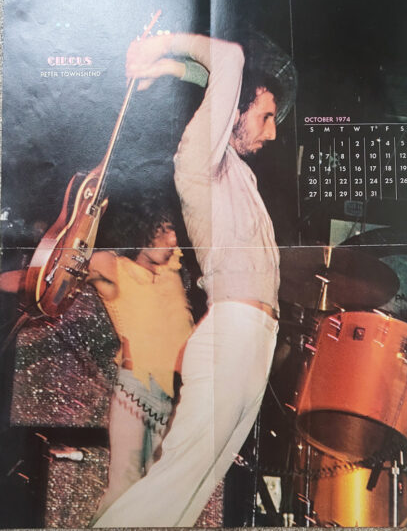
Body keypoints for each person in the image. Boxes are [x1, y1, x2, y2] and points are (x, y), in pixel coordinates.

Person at [93, 32, 296, 527]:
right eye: (266, 116)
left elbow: (221, 79)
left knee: (186, 499)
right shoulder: (199, 160)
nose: (271, 133)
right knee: (173, 484)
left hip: (254, 340)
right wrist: (161, 46)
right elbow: (229, 59)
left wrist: (168, 69)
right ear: (237, 109)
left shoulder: (235, 171)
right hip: (232, 333)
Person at [88, 201, 194, 521]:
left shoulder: (172, 275)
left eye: (174, 231)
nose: (172, 240)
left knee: (155, 495)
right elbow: (65, 269)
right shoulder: (115, 268)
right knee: (124, 485)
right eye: (164, 231)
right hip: (135, 388)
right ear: (142, 230)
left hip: (170, 396)